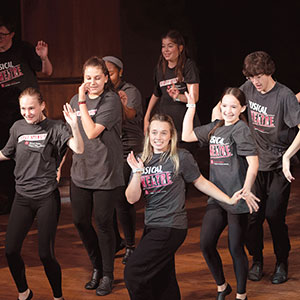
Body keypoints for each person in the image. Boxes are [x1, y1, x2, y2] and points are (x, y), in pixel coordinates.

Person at [124, 113, 245, 300]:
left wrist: (228, 199)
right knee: (163, 277)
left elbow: (201, 182)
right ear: (148, 135)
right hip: (152, 225)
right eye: (154, 132)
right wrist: (138, 172)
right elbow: (131, 199)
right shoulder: (141, 160)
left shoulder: (180, 157)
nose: (158, 137)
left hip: (171, 226)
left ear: (171, 135)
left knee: (133, 272)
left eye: (163, 133)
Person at [2, 87, 83, 300]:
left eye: (31, 108)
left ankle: (58, 297)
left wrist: (74, 125)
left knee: (45, 254)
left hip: (46, 197)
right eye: (23, 108)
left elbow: (79, 149)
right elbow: (5, 153)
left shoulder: (56, 128)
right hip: (22, 197)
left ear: (42, 105)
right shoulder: (17, 127)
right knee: (10, 251)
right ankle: (24, 293)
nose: (27, 113)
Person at [182, 88, 260, 300]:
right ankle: (222, 286)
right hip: (217, 196)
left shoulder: (241, 129)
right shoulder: (216, 127)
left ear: (242, 108)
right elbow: (186, 135)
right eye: (224, 105)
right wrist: (191, 107)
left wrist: (246, 189)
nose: (228, 110)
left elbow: (253, 163)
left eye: (234, 106)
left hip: (237, 197)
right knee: (206, 244)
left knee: (235, 247)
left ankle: (241, 295)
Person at [238, 51, 300, 284]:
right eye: (252, 76)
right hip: (255, 164)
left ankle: (281, 261)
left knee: (274, 216)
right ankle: (256, 260)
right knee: (253, 218)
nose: (256, 81)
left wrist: (287, 157)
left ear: (270, 72)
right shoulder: (248, 88)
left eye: (260, 76)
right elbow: (228, 103)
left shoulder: (284, 96)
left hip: (278, 167)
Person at [69, 56, 124, 296]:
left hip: (105, 172)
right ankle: (97, 267)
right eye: (87, 78)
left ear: (105, 79)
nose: (92, 82)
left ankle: (108, 275)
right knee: (80, 221)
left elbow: (91, 132)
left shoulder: (110, 100)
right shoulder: (74, 100)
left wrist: (81, 101)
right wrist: (61, 163)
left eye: (97, 78)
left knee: (103, 224)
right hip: (81, 170)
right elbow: (73, 134)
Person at [0, 16, 53, 214]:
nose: (0, 38)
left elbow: (47, 71)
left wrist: (44, 57)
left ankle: (39, 198)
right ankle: (12, 201)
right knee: (8, 158)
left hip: (28, 114)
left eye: (3, 35)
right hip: (4, 116)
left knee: (33, 154)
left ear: (12, 34)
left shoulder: (23, 49)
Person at [103, 55, 144, 264]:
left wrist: (120, 103)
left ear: (120, 72)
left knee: (123, 199)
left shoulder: (130, 90)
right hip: (109, 149)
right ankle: (116, 241)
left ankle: (130, 245)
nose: (108, 77)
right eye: (105, 73)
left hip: (129, 148)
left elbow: (129, 115)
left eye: (110, 72)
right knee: (106, 199)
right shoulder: (101, 92)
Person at [143, 29, 200, 153]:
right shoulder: (160, 68)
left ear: (180, 48)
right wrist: (147, 117)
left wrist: (178, 96)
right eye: (163, 46)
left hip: (184, 125)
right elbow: (156, 93)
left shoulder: (188, 66)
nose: (166, 50)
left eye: (170, 46)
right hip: (166, 125)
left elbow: (194, 98)